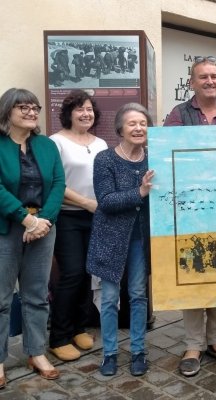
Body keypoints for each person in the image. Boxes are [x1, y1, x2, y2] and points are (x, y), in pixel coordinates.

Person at [164, 56, 216, 377]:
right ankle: (194, 343)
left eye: (214, 76)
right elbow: (169, 157)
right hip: (192, 209)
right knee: (195, 271)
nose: (210, 81)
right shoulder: (178, 115)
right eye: (203, 77)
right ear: (192, 83)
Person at [0, 88, 66, 386]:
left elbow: (58, 184)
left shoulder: (46, 145)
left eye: (34, 107)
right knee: (1, 298)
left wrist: (43, 221)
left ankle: (36, 351)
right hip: (7, 228)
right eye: (23, 107)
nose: (31, 112)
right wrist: (25, 219)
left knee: (37, 295)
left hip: (43, 228)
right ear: (7, 112)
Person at [87, 103, 154, 377]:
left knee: (138, 295)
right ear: (120, 129)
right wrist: (140, 191)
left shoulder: (154, 157)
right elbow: (106, 201)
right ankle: (110, 354)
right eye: (132, 124)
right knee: (109, 298)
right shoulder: (105, 159)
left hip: (141, 237)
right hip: (110, 237)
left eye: (143, 123)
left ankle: (139, 351)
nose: (138, 128)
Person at [48, 90, 108, 362]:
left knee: (87, 272)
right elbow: (53, 184)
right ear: (68, 113)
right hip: (68, 216)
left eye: (89, 109)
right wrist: (86, 202)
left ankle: (78, 328)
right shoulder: (55, 142)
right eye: (79, 109)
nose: (86, 113)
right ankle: (58, 337)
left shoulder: (101, 143)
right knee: (71, 273)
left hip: (97, 216)